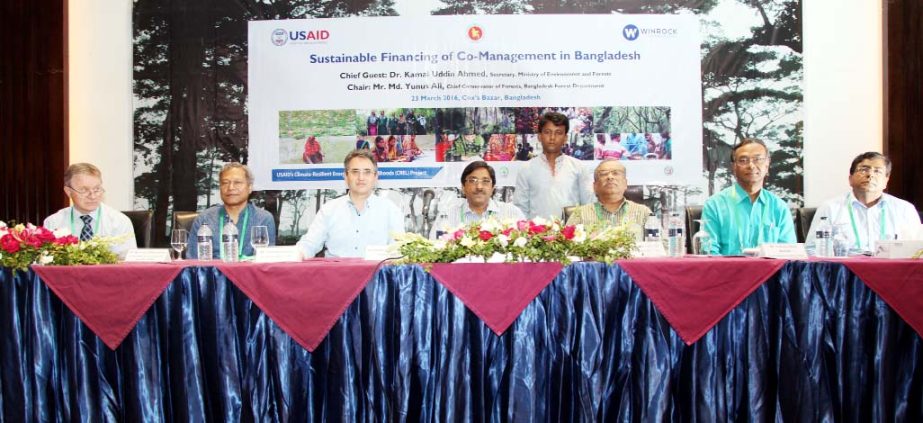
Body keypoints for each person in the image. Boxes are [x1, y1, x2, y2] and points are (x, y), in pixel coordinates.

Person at [805, 152, 921, 255]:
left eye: (877, 171)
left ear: (886, 180)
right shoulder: (830, 208)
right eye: (864, 169)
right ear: (850, 178)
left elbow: (917, 250)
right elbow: (812, 249)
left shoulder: (905, 209)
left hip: (892, 274)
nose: (870, 175)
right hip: (845, 274)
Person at [297, 149, 404, 257]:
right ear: (346, 176)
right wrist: (297, 254)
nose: (361, 178)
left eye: (367, 172)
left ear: (375, 177)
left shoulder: (390, 210)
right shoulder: (329, 210)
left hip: (377, 273)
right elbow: (309, 244)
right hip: (336, 273)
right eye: (355, 172)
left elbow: (398, 250)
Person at [702, 138, 796, 255]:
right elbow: (709, 254)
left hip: (771, 272)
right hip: (727, 272)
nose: (751, 165)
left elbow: (788, 254)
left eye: (758, 159)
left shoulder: (779, 207)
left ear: (767, 164)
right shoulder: (714, 205)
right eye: (743, 160)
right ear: (734, 167)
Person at [43, 163, 137, 258]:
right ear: (68, 192)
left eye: (97, 189)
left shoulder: (119, 221)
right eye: (84, 190)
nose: (92, 196)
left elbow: (126, 264)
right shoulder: (53, 222)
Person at [187, 163, 277, 259]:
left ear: (250, 187)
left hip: (249, 273)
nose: (230, 188)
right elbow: (192, 262)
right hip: (212, 273)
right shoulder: (204, 219)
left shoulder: (263, 219)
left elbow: (267, 262)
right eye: (225, 183)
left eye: (237, 182)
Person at [513, 111, 594, 219]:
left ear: (565, 138)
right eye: (547, 132)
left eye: (558, 133)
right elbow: (520, 210)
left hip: (571, 233)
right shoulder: (526, 169)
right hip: (536, 234)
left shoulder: (579, 167)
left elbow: (588, 204)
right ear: (540, 136)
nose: (552, 137)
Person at [431, 161, 524, 238]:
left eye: (485, 181)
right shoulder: (447, 215)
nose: (479, 187)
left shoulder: (512, 213)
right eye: (473, 181)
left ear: (493, 188)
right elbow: (435, 248)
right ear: (463, 187)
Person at [566, 159, 651, 228]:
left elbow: (659, 245)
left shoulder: (643, 213)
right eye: (604, 174)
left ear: (625, 184)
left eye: (616, 173)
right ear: (595, 186)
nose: (610, 177)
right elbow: (567, 247)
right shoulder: (579, 215)